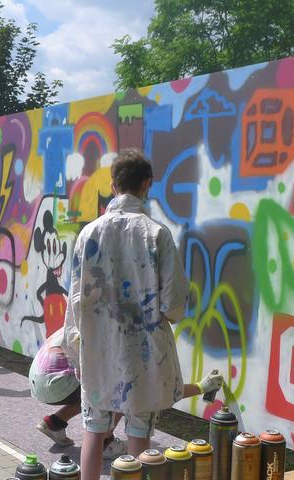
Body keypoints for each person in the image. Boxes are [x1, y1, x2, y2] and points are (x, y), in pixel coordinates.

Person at [62, 148, 190, 479]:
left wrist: (75, 346)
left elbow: (75, 299)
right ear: (147, 184)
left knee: (94, 430)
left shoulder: (89, 233)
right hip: (144, 353)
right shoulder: (156, 233)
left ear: (112, 184)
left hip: (98, 349)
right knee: (139, 436)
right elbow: (174, 300)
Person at [31, 326, 223, 457]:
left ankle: (54, 423)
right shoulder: (120, 337)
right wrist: (201, 387)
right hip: (59, 381)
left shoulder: (90, 315)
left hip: (41, 378)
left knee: (107, 388)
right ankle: (106, 443)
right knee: (126, 391)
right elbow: (157, 390)